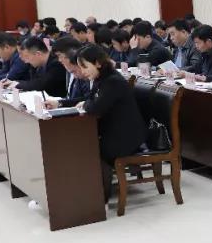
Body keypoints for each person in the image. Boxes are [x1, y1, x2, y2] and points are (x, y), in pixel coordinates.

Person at [53, 44, 145, 203]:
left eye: (84, 66)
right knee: (77, 145)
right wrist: (66, 103)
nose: (82, 71)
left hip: (126, 137)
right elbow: (89, 100)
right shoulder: (101, 78)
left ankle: (99, 199)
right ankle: (77, 191)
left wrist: (87, 104)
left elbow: (94, 108)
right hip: (112, 131)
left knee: (89, 149)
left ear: (97, 63)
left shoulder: (112, 81)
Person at [51, 37, 91, 104]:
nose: (59, 60)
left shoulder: (86, 74)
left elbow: (87, 99)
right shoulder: (69, 69)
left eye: (59, 55)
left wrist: (60, 103)